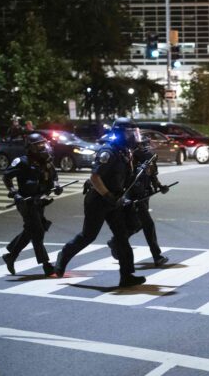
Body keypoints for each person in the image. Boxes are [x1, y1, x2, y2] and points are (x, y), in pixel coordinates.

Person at [54, 117, 146, 288]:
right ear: (120, 133)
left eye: (135, 133)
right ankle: (62, 258)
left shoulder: (125, 152)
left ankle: (127, 276)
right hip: (98, 200)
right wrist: (107, 195)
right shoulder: (108, 152)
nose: (134, 136)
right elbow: (95, 178)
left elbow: (125, 178)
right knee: (88, 236)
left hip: (114, 200)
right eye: (130, 133)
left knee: (122, 238)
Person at [1, 133, 61, 276]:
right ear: (31, 147)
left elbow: (54, 176)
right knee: (37, 232)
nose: (43, 147)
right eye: (39, 145)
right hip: (26, 202)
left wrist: (57, 186)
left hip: (40, 201)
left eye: (43, 144)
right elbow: (6, 177)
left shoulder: (46, 161)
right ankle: (46, 266)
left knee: (31, 230)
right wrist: (14, 193)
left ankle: (11, 255)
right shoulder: (21, 162)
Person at [107, 137, 170, 266]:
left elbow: (153, 176)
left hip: (144, 196)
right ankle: (157, 256)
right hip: (135, 198)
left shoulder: (150, 160)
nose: (147, 148)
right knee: (148, 225)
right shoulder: (132, 161)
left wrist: (160, 187)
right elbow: (129, 180)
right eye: (144, 145)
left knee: (137, 225)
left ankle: (116, 241)